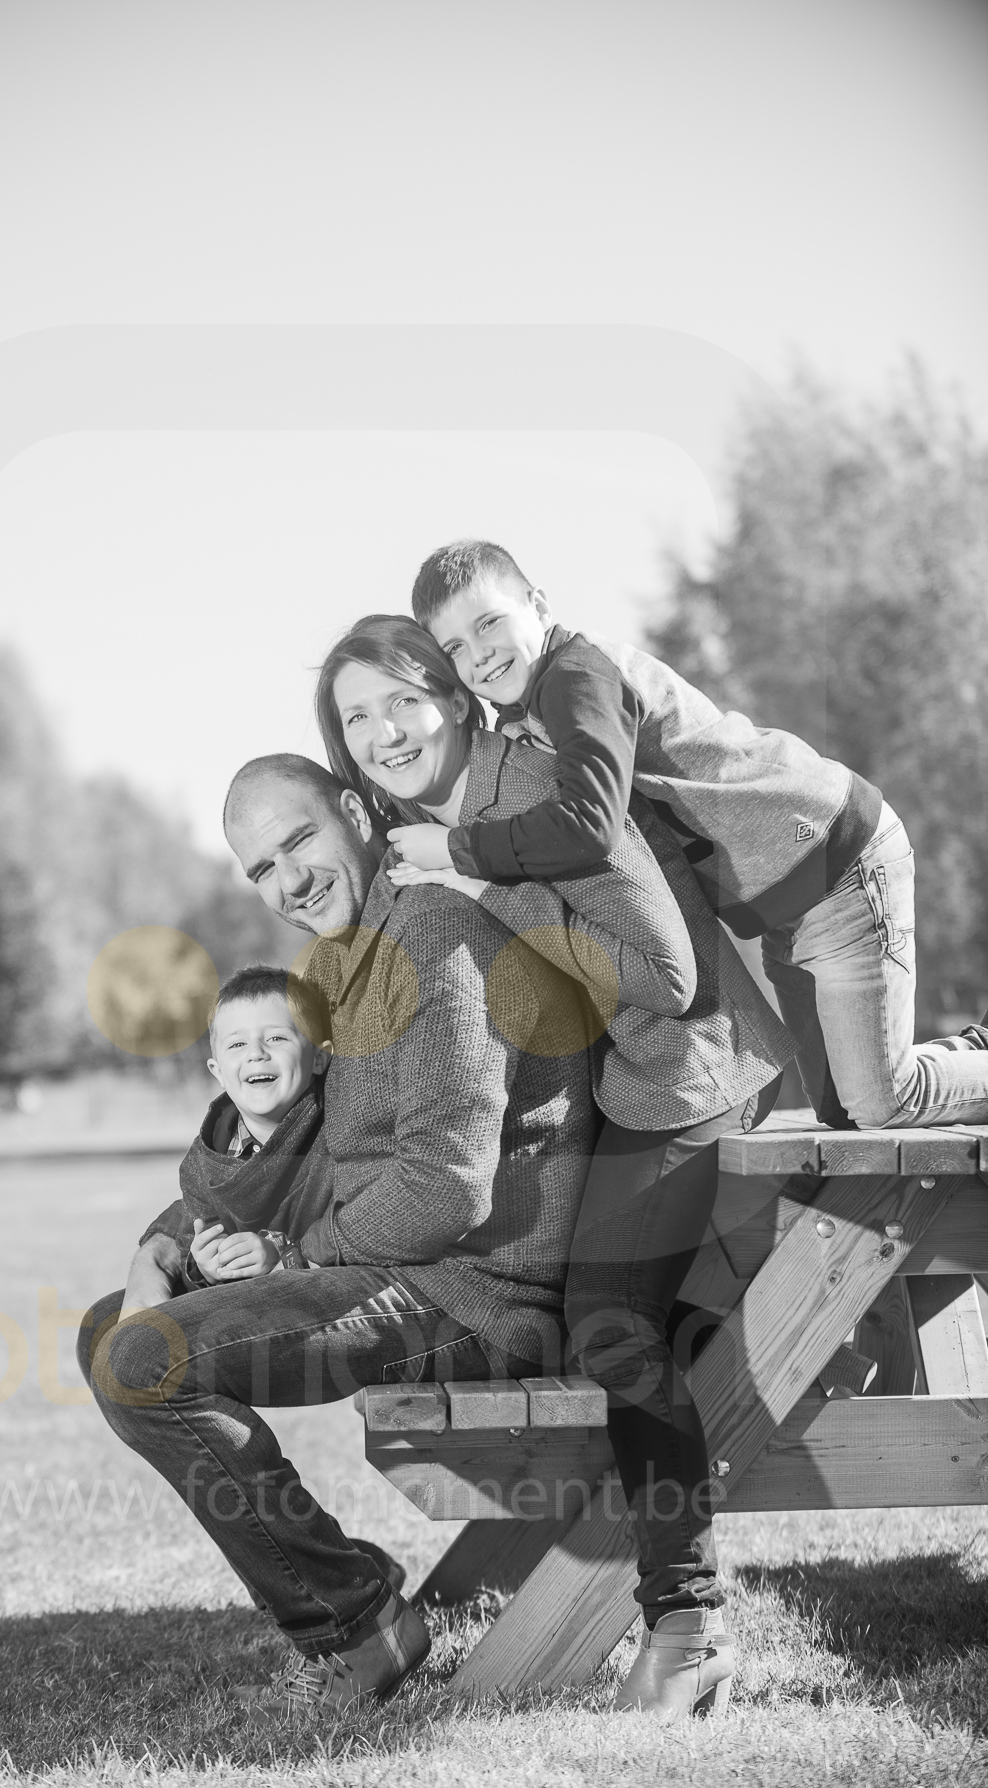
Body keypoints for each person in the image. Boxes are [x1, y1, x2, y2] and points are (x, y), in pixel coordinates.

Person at [315, 614, 795, 1717]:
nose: (384, 732)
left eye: (401, 700)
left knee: (611, 1326)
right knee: (589, 1319)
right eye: (357, 717)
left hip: (684, 1073)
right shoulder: (421, 829)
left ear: (453, 696)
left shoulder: (530, 785)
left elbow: (665, 976)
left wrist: (487, 888)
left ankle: (688, 1627)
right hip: (607, 1097)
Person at [78, 754, 599, 1719]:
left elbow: (446, 1188)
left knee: (144, 1362)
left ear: (357, 813)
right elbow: (273, 1150)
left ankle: (353, 1621)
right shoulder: (338, 963)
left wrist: (299, 1256)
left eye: (299, 841)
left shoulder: (434, 937)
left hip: (475, 1295)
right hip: (396, 1274)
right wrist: (161, 1250)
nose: (289, 881)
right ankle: (351, 1590)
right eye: (261, 869)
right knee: (112, 1328)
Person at [400, 537, 988, 1134]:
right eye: (455, 647)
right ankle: (974, 1052)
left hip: (837, 865)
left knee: (883, 1104)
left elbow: (591, 823)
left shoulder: (577, 678)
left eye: (489, 622)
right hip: (785, 908)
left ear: (539, 605)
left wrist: (457, 850)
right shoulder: (526, 713)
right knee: (839, 1108)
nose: (479, 653)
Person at [122, 964, 335, 1311]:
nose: (256, 1053)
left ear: (319, 1058)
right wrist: (206, 1269)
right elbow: (197, 1238)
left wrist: (282, 1254)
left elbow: (352, 1227)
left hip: (316, 1300)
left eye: (276, 1038)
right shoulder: (204, 1161)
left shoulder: (336, 1135)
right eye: (237, 1043)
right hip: (239, 1300)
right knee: (103, 1323)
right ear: (218, 1071)